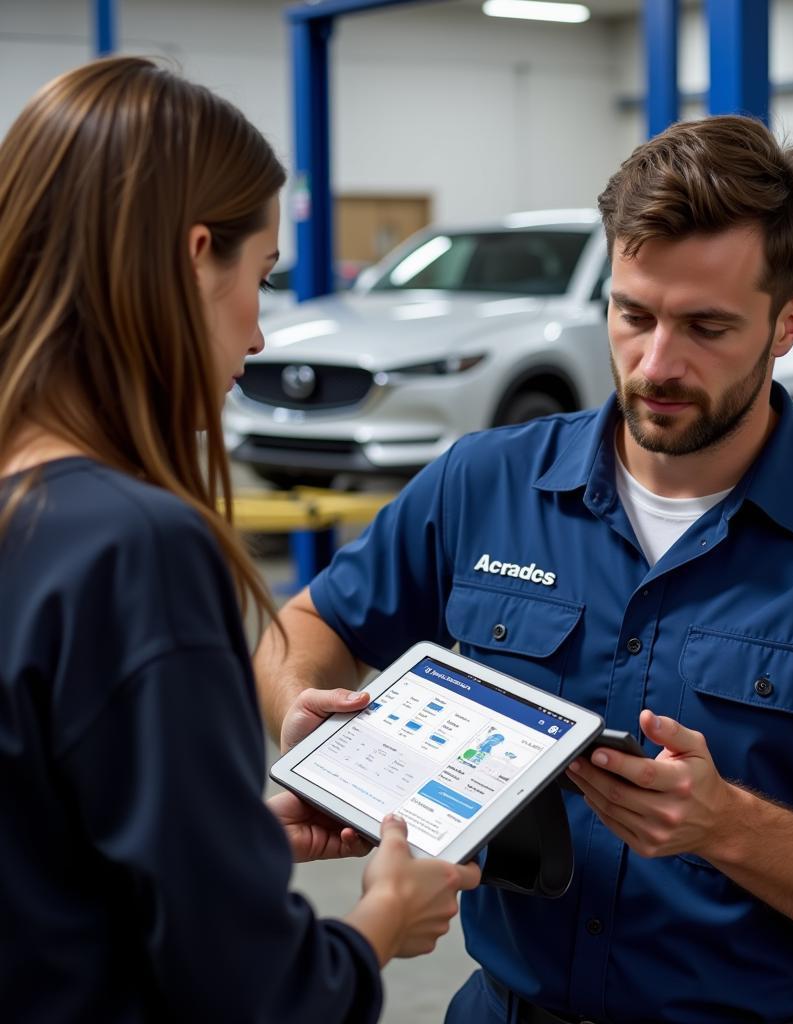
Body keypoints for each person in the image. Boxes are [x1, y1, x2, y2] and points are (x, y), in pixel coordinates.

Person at [253, 115, 793, 1023]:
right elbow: (308, 627)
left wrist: (731, 829)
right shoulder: (485, 484)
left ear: (789, 324)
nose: (658, 363)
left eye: (707, 326)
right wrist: (306, 710)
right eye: (634, 315)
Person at [0, 56, 480, 1023]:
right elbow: (258, 997)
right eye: (259, 278)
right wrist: (382, 920)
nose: (259, 337)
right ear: (191, 257)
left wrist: (216, 837)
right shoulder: (136, 551)